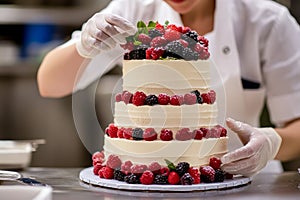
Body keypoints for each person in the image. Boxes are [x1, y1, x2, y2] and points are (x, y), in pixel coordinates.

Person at [37, 0, 300, 177]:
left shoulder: (267, 20)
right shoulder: (135, 9)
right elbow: (49, 83)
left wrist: (272, 143)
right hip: (150, 187)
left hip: (250, 185)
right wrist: (84, 47)